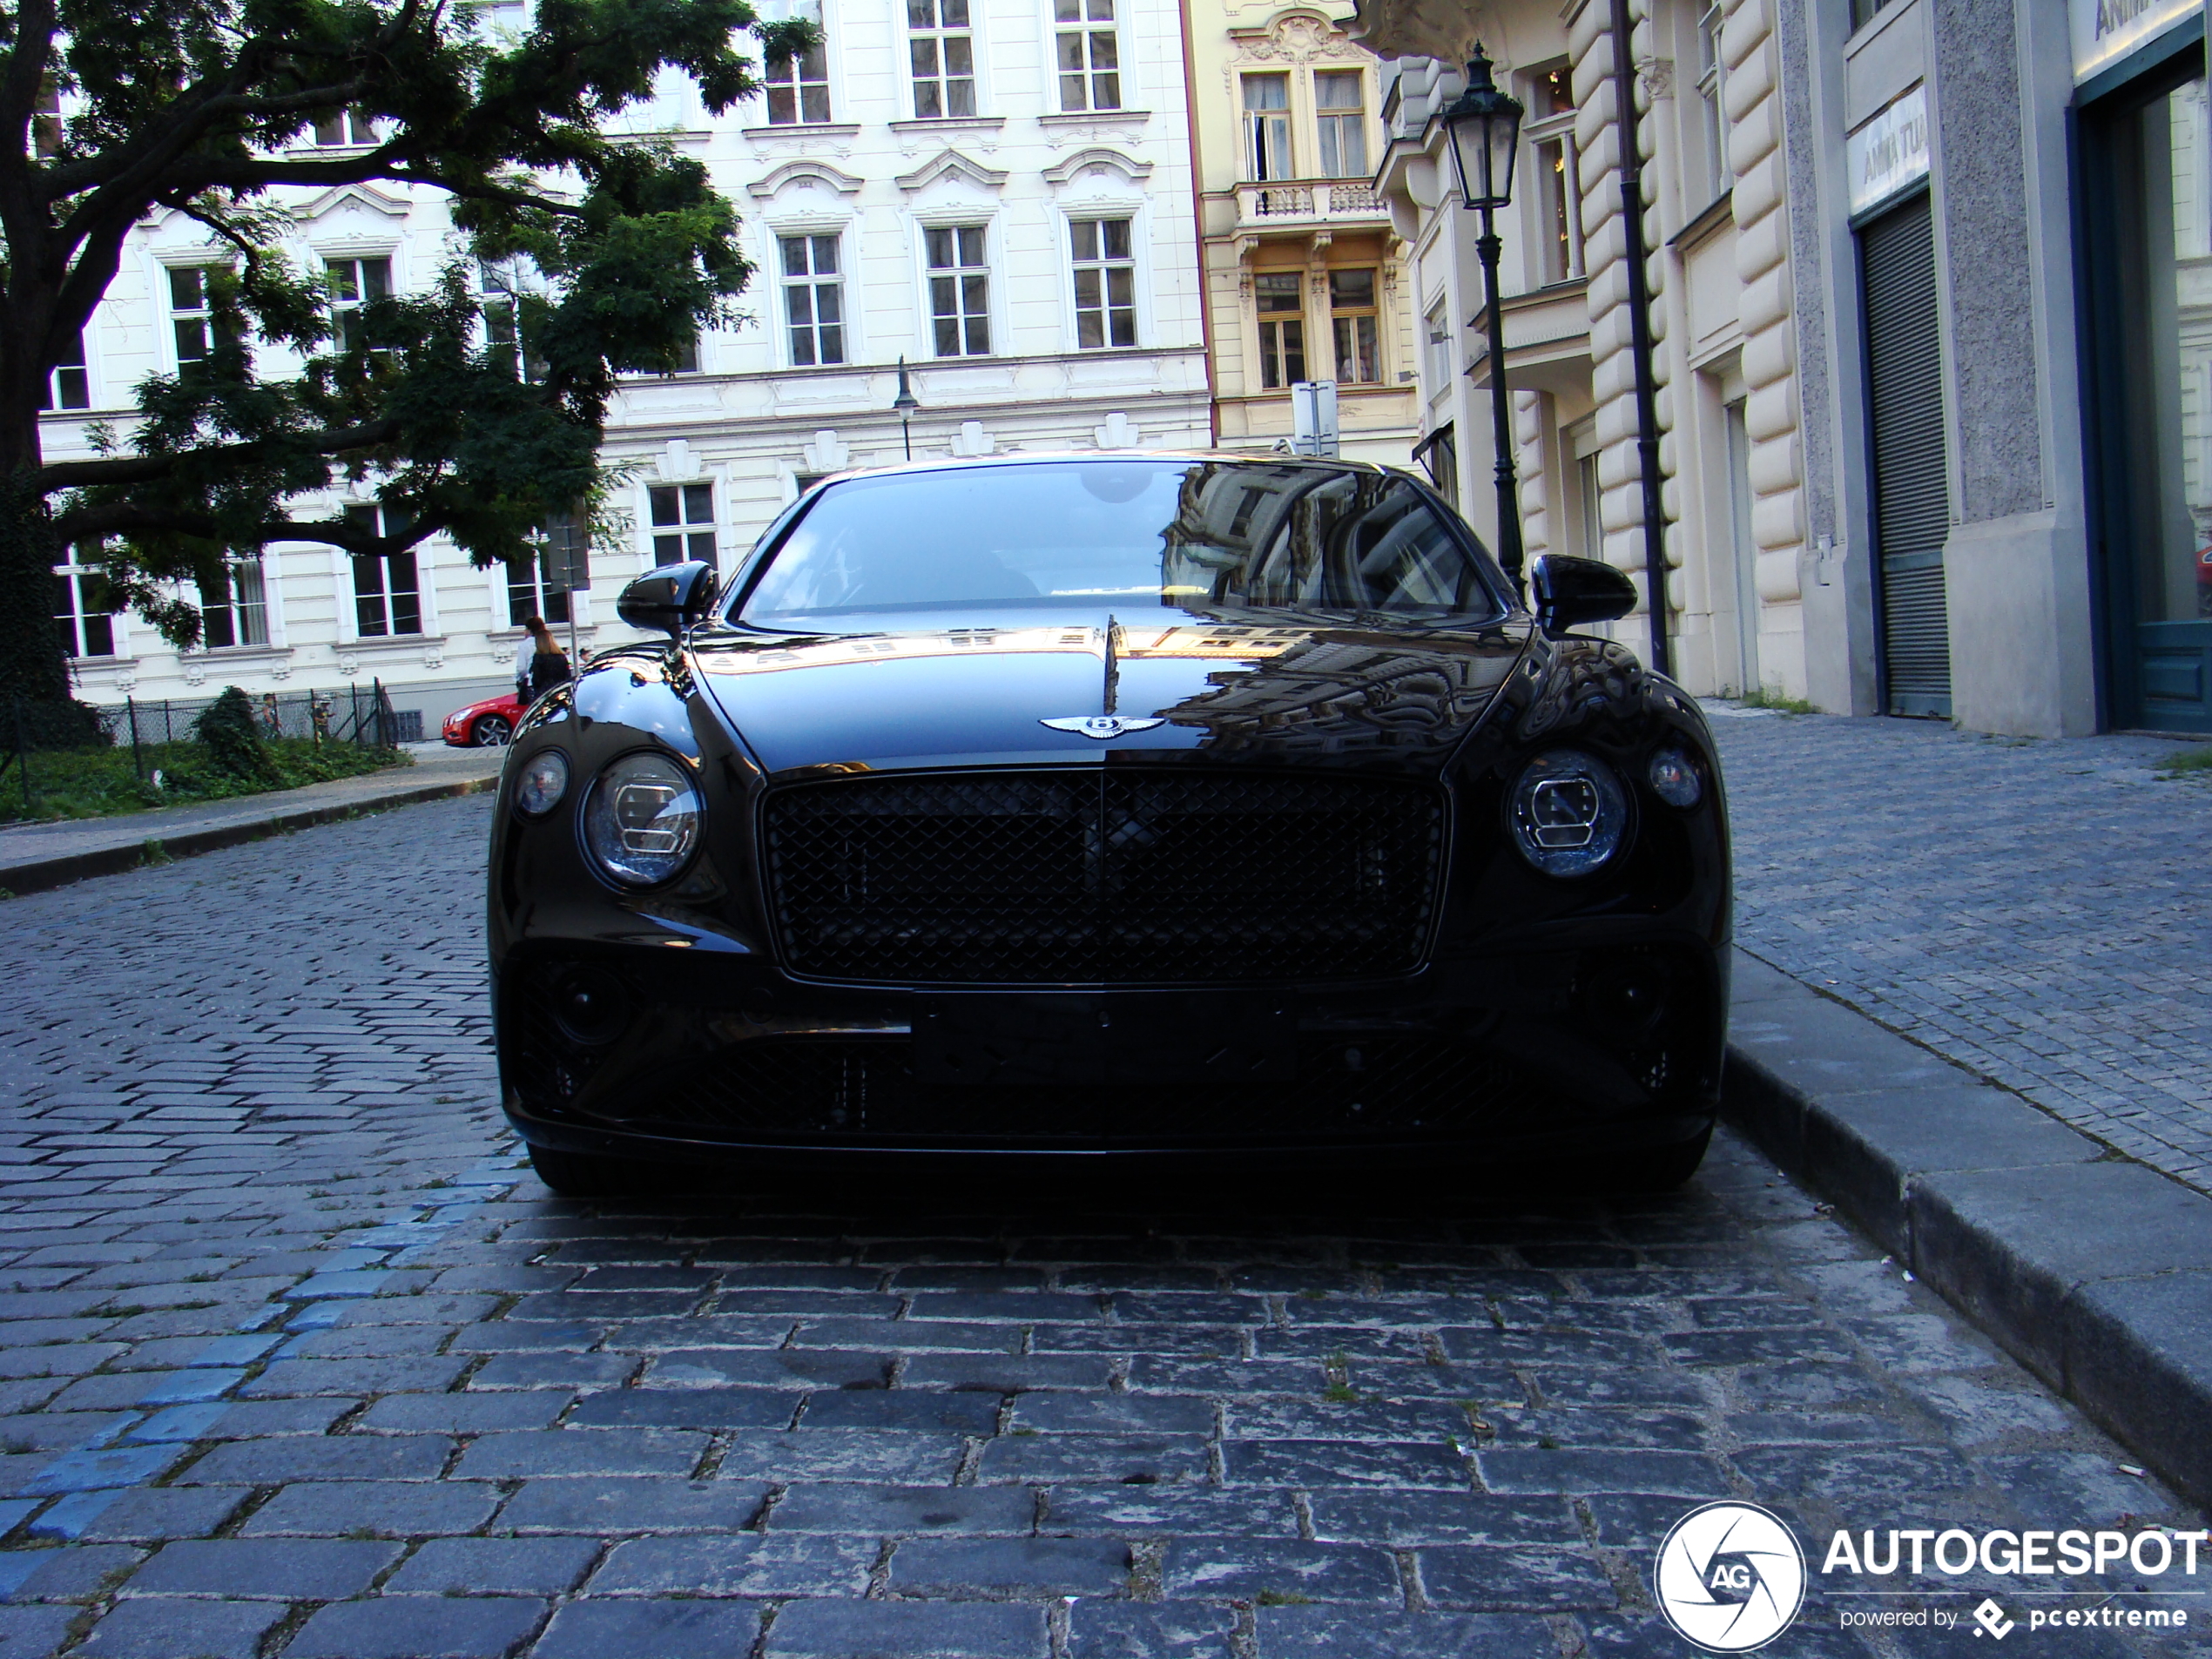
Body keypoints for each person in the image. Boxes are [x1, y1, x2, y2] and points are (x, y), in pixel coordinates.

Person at [523, 616, 572, 703]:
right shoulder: (561, 657)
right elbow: (567, 676)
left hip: (543, 694)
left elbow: (536, 680)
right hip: (560, 692)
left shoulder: (539, 657)